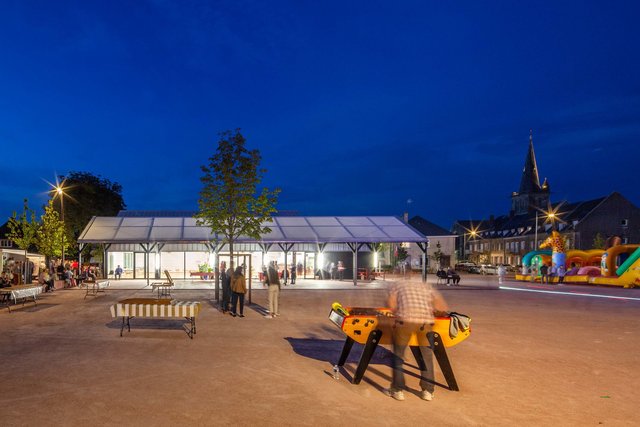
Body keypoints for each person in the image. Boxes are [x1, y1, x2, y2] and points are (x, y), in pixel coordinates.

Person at [386, 278, 448, 402]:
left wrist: (397, 313)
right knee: (427, 357)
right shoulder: (426, 286)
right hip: (425, 323)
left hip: (405, 322)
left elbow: (391, 304)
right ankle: (427, 392)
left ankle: (397, 390)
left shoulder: (397, 285)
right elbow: (442, 307)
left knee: (398, 355)